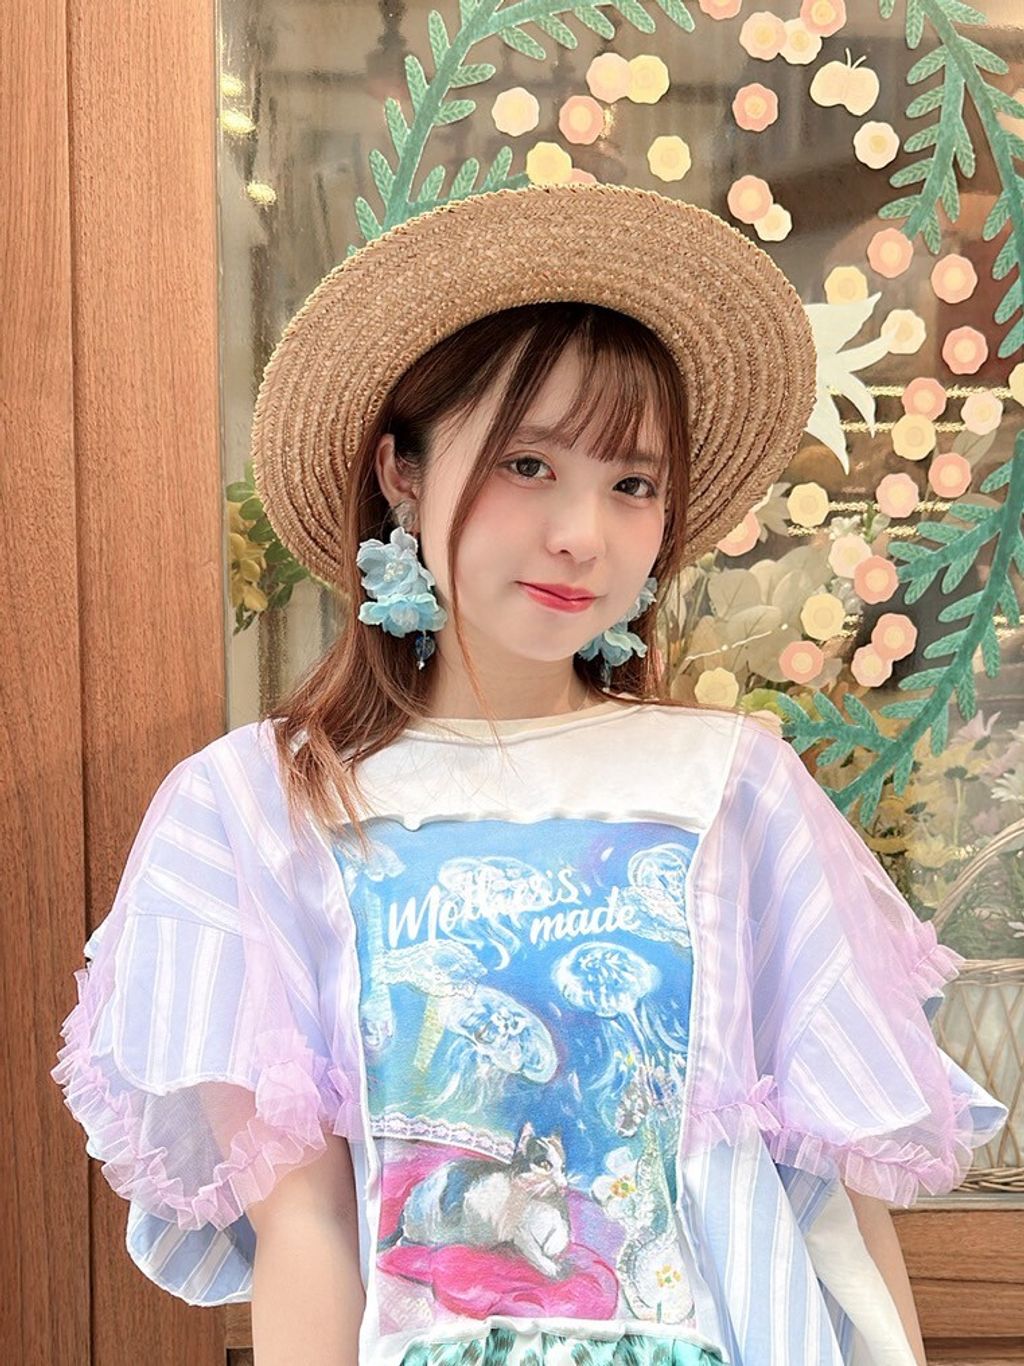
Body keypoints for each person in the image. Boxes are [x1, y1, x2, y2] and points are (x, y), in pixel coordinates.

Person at [51, 184, 1007, 1366]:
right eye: (527, 462)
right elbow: (304, 1228)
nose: (581, 534)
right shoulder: (253, 810)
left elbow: (835, 1208)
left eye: (631, 484)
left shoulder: (733, 787)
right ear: (401, 471)